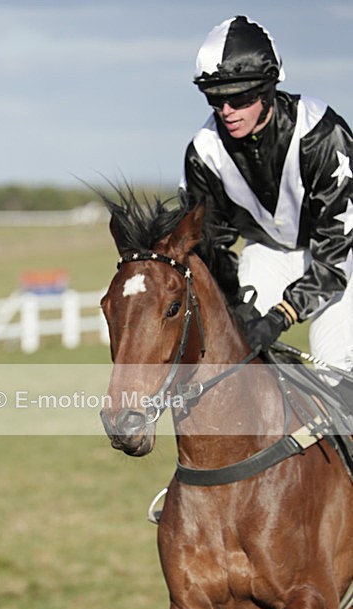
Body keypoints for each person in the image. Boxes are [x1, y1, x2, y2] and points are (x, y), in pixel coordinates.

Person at [181, 15, 353, 411]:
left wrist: (280, 316)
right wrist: (235, 308)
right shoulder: (204, 152)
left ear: (268, 89)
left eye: (239, 98)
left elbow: (335, 254)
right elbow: (211, 246)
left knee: (333, 371)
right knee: (234, 356)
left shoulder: (322, 135)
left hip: (339, 260)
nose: (226, 110)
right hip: (270, 253)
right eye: (214, 99)